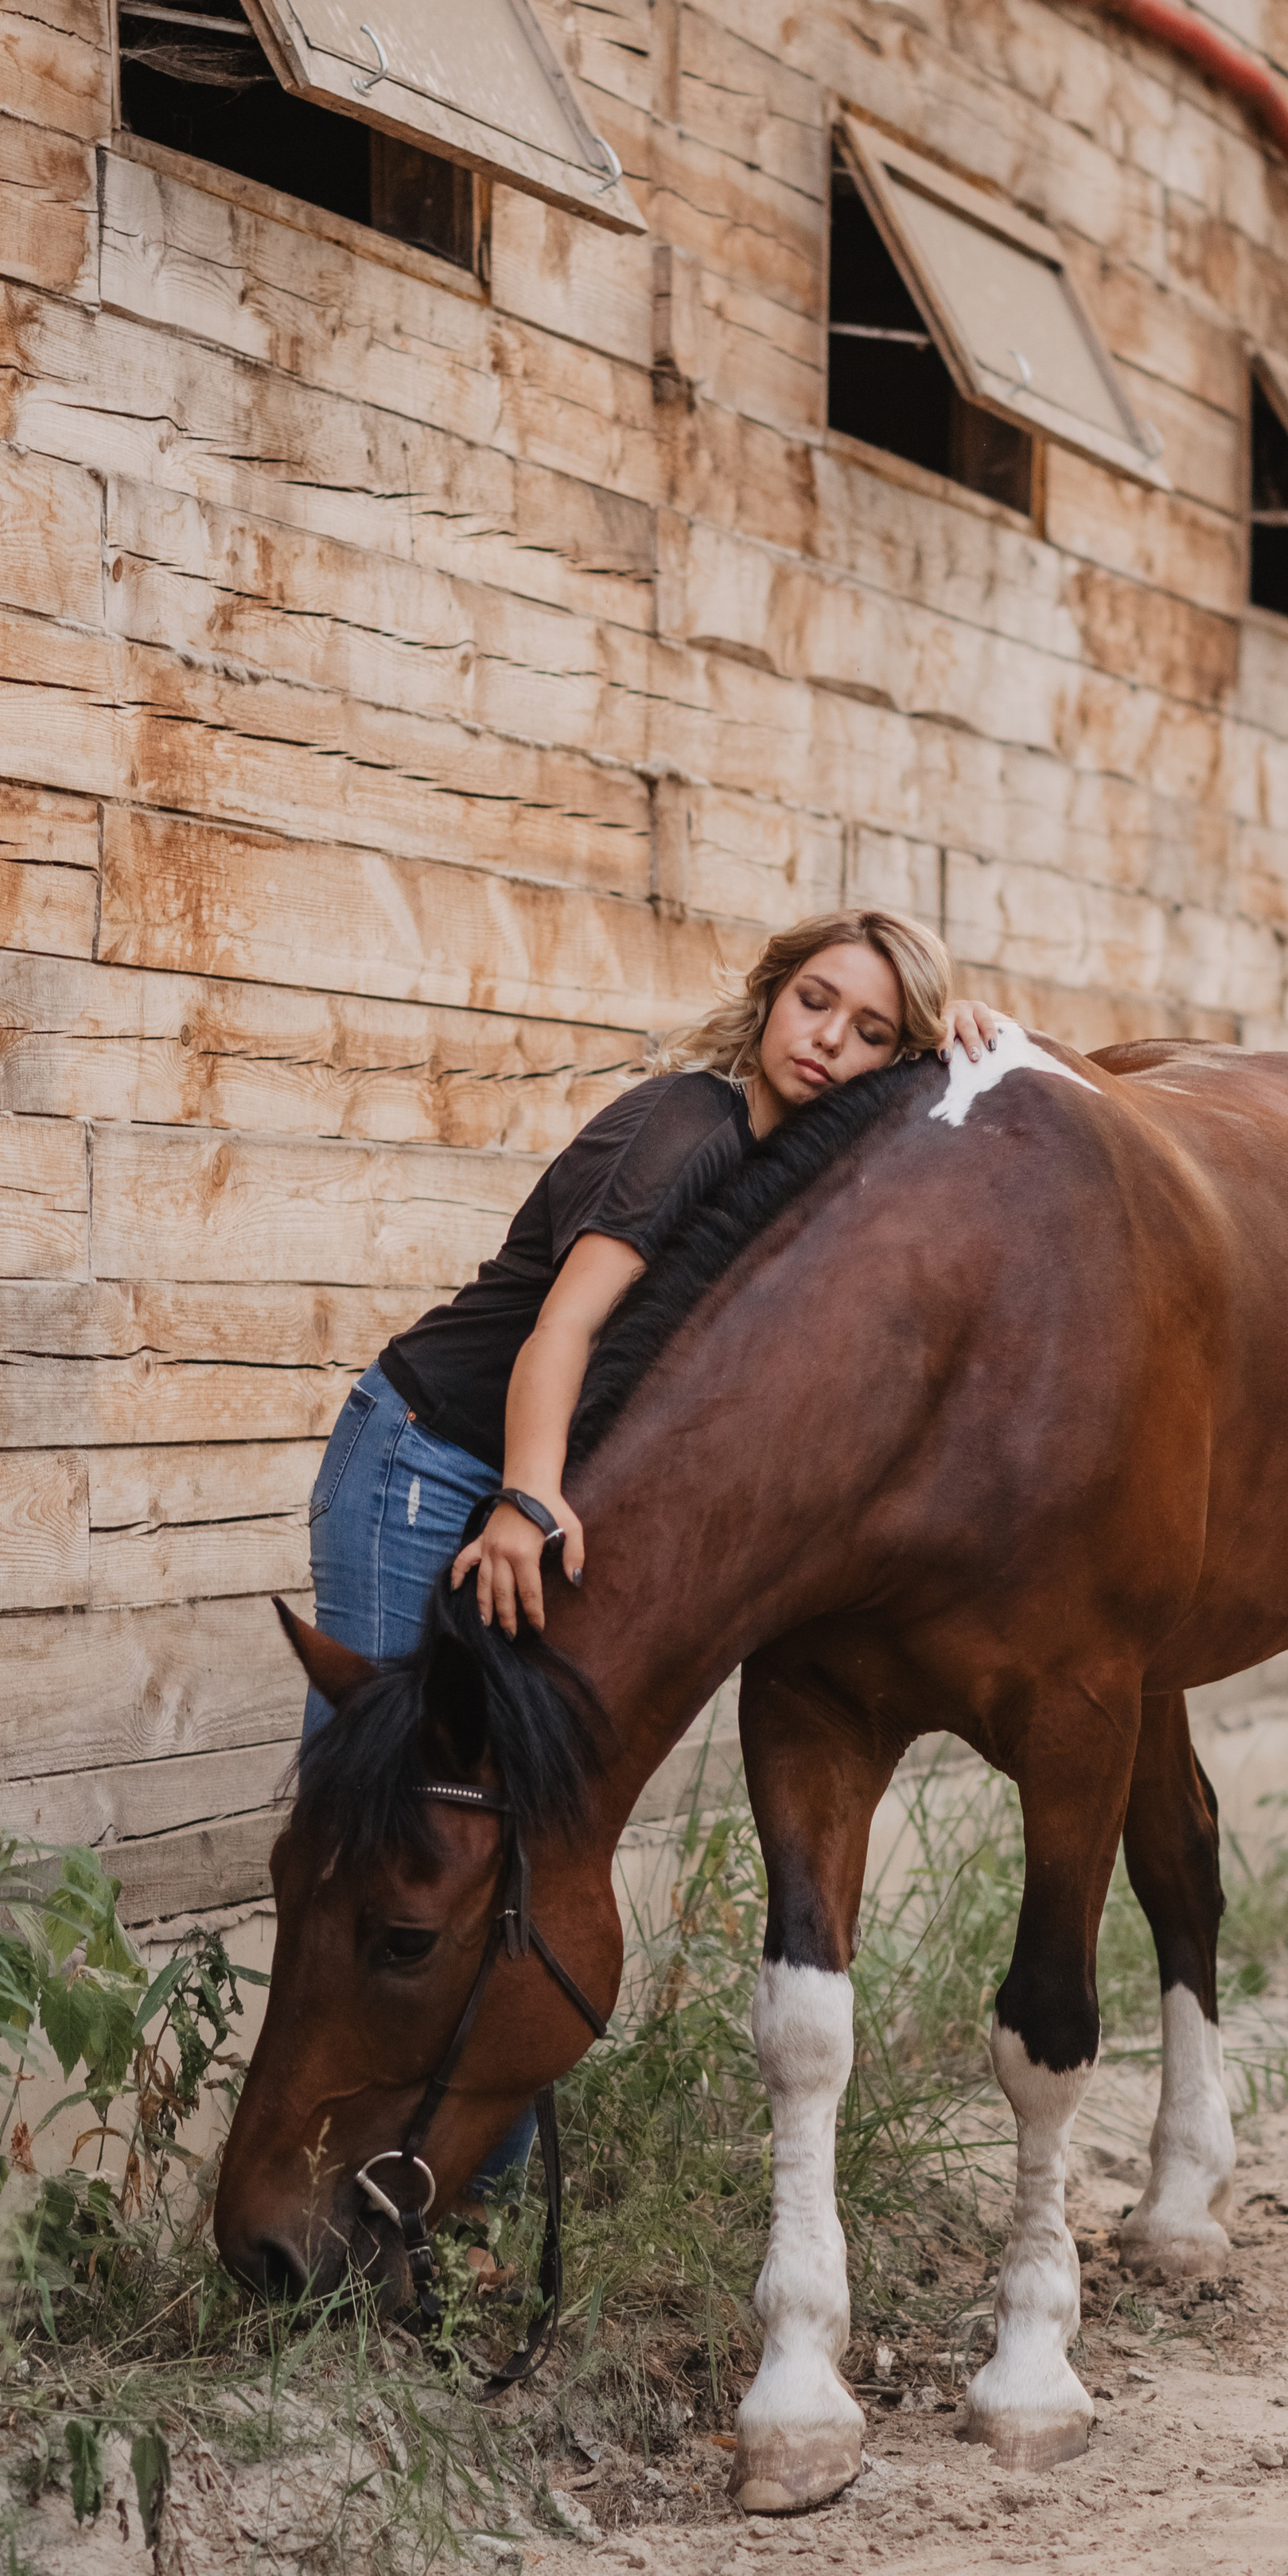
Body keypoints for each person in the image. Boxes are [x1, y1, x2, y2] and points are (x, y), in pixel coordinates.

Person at [301, 907, 999, 2187]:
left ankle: (464, 2188)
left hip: (524, 1480)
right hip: (427, 1459)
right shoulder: (688, 1128)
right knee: (391, 1834)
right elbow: (558, 1333)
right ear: (769, 995)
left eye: (872, 1031)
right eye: (815, 1003)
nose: (829, 1040)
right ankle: (309, 2158)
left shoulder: (797, 1174)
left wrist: (957, 1043)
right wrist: (521, 1499)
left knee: (503, 1834)